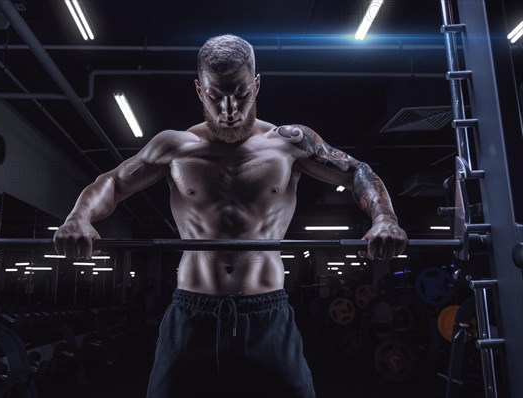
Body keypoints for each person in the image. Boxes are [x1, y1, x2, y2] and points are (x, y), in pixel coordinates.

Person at [54, 34, 408, 398]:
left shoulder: (289, 143)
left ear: (256, 84)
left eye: (240, 94)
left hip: (267, 312)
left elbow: (354, 171)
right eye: (215, 96)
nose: (228, 109)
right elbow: (113, 182)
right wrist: (79, 217)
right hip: (192, 313)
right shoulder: (174, 146)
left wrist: (384, 218)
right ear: (198, 89)